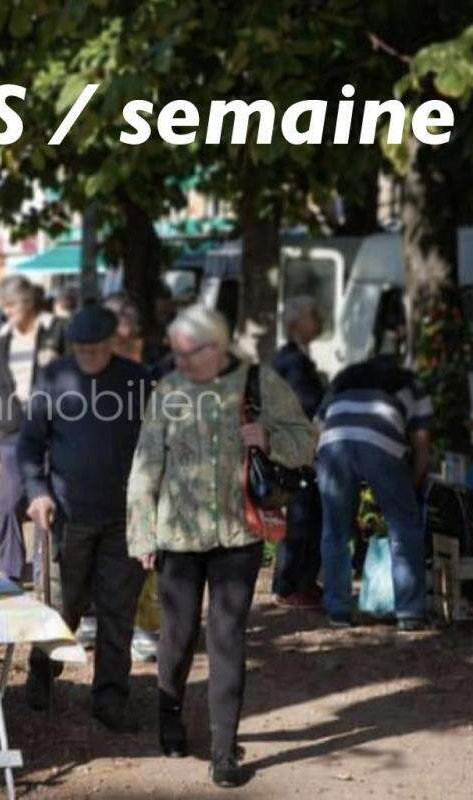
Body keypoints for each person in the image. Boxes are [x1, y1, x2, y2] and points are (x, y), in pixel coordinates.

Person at [127, 305, 313, 788]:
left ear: (217, 347)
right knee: (179, 634)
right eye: (176, 353)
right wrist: (142, 532)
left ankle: (224, 749)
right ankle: (169, 714)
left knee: (228, 636)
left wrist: (269, 437)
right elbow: (146, 464)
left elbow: (305, 441)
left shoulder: (259, 382)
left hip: (239, 534)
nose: (179, 361)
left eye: (187, 353)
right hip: (179, 536)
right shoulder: (168, 390)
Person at [18, 306, 151, 731]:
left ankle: (111, 697)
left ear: (114, 342)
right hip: (69, 515)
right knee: (62, 604)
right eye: (81, 349)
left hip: (124, 518)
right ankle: (42, 672)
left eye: (95, 349)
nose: (88, 356)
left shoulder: (137, 380)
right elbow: (29, 444)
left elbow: (158, 444)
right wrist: (38, 492)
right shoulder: (54, 377)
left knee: (118, 610)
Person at [316, 350, 433, 631]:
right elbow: (421, 439)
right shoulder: (411, 384)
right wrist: (414, 481)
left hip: (334, 444)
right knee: (404, 526)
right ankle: (410, 612)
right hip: (381, 444)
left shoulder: (343, 380)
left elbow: (317, 426)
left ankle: (338, 610)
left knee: (335, 531)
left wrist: (318, 466)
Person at [0, 275, 66, 583]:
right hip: (11, 430)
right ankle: (11, 570)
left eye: (12, 305)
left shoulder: (56, 330)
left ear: (28, 302)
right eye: (3, 306)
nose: (7, 311)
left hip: (53, 428)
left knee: (51, 501)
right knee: (8, 503)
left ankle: (50, 570)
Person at [270, 298, 326, 607]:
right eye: (312, 316)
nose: (319, 320)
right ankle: (290, 585)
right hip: (295, 450)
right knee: (302, 515)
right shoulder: (294, 362)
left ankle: (300, 581)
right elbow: (306, 405)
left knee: (306, 513)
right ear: (295, 324)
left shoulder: (295, 358)